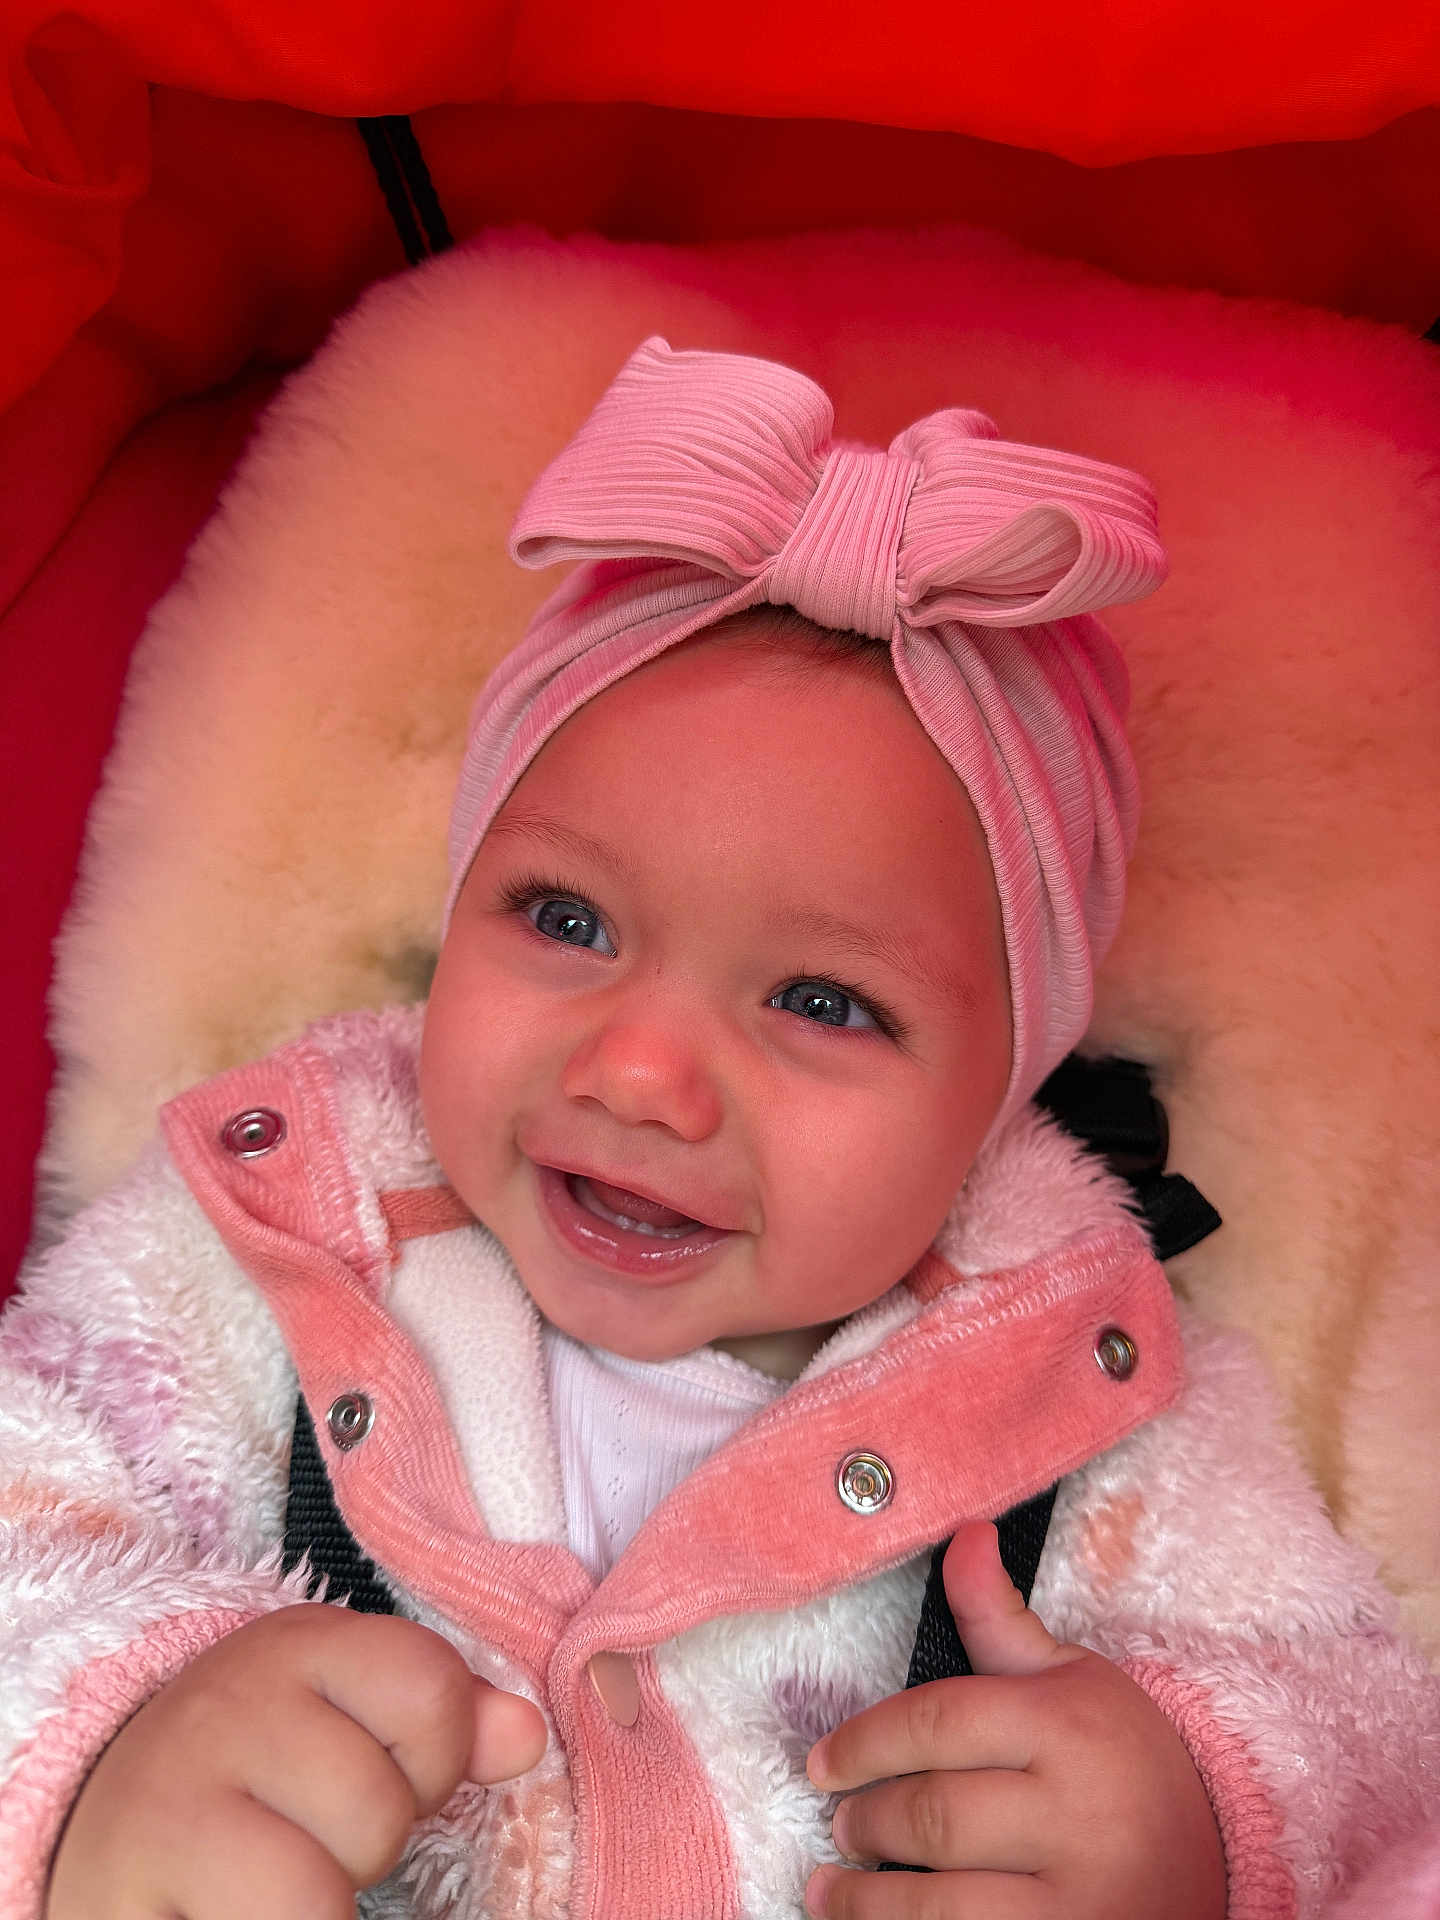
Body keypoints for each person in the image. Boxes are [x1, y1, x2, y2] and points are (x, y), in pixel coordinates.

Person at [5, 338, 1437, 1920]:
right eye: (563, 916)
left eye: (821, 1002)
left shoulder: (1089, 1388)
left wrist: (1200, 1819)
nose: (638, 1078)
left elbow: (1358, 1724)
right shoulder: (273, 1236)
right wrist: (106, 1745)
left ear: (996, 1090)